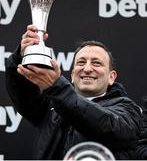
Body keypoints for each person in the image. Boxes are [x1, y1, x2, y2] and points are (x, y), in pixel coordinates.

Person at [5, 24, 142, 160]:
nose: (87, 68)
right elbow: (22, 93)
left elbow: (106, 126)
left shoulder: (128, 110)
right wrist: (21, 55)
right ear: (72, 75)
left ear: (111, 77)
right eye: (81, 63)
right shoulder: (51, 107)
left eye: (96, 63)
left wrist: (57, 87)